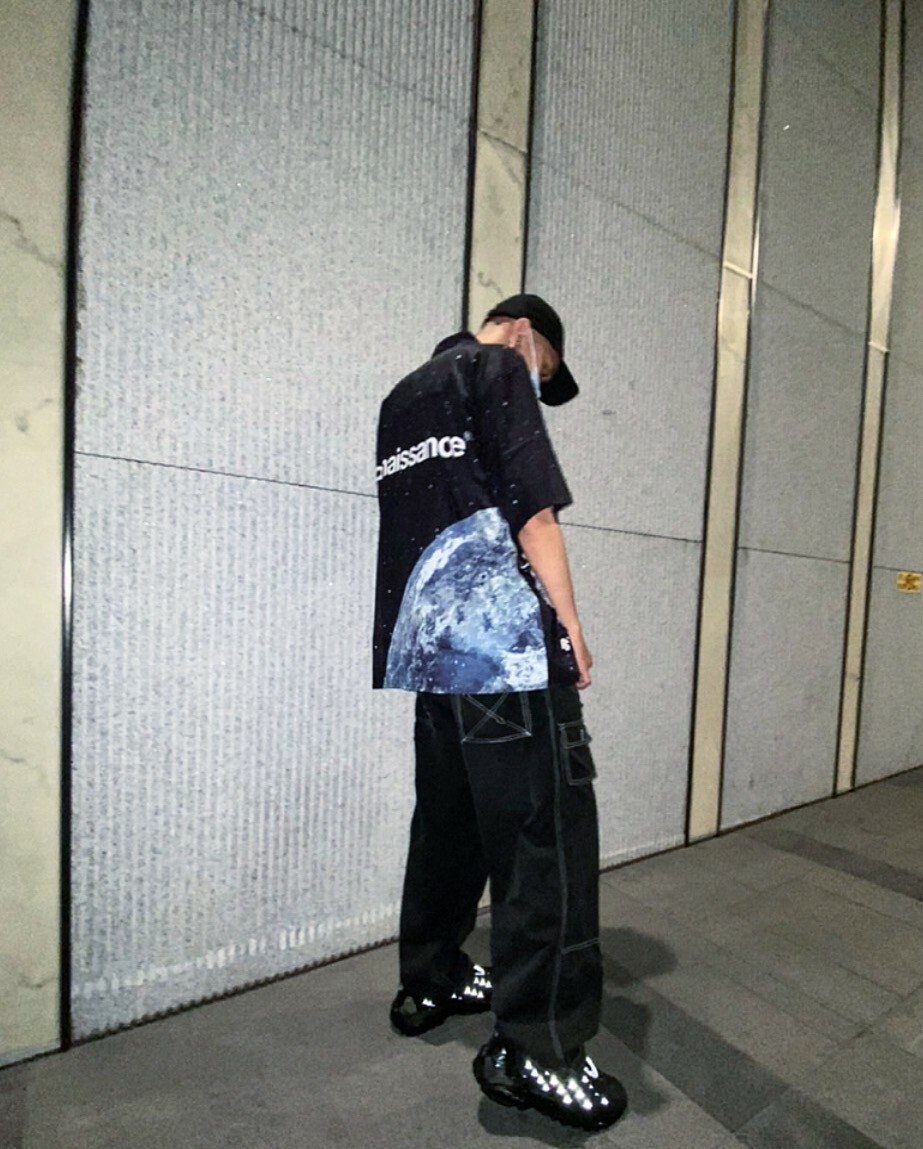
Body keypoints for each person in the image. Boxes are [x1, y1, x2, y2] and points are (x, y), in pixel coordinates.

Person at [372, 294, 627, 1131]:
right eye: (542, 366)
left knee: (447, 825)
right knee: (544, 843)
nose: (536, 381)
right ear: (522, 332)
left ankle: (431, 977)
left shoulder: (405, 393)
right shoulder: (495, 369)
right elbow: (533, 511)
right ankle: (539, 1047)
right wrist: (571, 626)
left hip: (429, 656)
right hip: (506, 653)